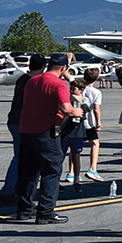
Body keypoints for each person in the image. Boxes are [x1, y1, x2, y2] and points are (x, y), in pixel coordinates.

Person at [15, 54, 84, 224]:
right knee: (52, 170)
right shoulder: (59, 84)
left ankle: (25, 209)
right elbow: (66, 108)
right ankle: (45, 211)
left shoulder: (32, 81)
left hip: (27, 130)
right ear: (63, 68)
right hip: (46, 131)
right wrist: (77, 112)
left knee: (28, 171)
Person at [0, 53, 46, 205]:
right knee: (20, 156)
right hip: (22, 122)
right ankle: (9, 190)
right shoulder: (33, 82)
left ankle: (16, 187)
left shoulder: (22, 79)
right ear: (43, 67)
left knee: (22, 156)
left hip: (14, 119)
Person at [62, 77, 90, 190]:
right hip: (66, 130)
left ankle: (77, 179)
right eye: (71, 89)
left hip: (78, 131)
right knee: (61, 155)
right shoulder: (67, 98)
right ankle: (57, 179)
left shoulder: (84, 99)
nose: (72, 91)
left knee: (76, 155)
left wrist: (80, 104)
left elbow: (85, 111)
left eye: (75, 89)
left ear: (81, 90)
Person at [79, 67, 105, 185]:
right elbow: (96, 109)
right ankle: (93, 168)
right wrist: (98, 123)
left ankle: (73, 172)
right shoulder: (96, 92)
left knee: (75, 147)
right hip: (89, 122)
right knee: (95, 143)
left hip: (78, 121)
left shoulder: (79, 89)